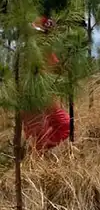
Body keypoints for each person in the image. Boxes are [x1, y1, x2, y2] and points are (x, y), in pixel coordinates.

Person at [23, 16, 71, 151]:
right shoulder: (27, 52)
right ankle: (35, 164)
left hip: (47, 97)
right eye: (39, 33)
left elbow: (56, 70)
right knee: (38, 134)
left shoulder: (48, 52)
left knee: (64, 124)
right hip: (31, 98)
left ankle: (42, 150)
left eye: (46, 34)